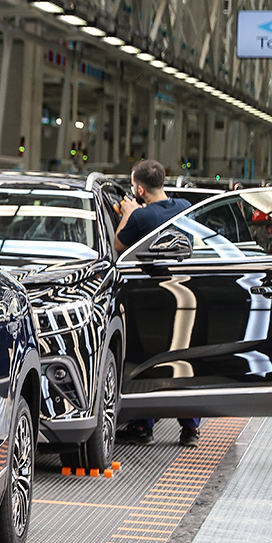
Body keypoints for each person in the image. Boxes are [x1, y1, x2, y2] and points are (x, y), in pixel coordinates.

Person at [113, 159, 202, 448]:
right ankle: (190, 428)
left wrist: (128, 214)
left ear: (139, 189)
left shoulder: (140, 217)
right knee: (184, 358)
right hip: (187, 292)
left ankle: (144, 426)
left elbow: (118, 246)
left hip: (150, 296)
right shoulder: (184, 206)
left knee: (148, 359)